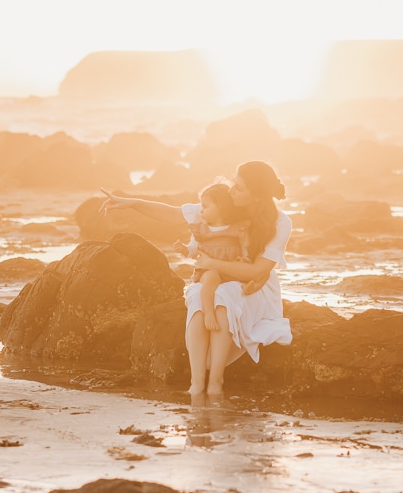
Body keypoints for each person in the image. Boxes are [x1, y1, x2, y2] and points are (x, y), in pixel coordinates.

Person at [103, 160, 292, 400]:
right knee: (198, 295)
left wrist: (213, 264)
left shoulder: (280, 222)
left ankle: (216, 381)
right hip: (219, 277)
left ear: (256, 196)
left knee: (223, 295)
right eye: (234, 183)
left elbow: (257, 272)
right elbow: (172, 213)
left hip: (255, 288)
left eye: (239, 188)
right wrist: (131, 203)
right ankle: (196, 382)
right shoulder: (224, 204)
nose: (232, 190)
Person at [187, 181, 251, 333]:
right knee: (212, 278)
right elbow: (193, 249)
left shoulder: (237, 228)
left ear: (221, 208)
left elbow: (245, 248)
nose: (201, 211)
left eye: (205, 206)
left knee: (234, 284)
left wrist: (245, 259)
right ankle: (208, 312)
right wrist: (184, 249)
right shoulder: (202, 230)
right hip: (207, 269)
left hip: (229, 269)